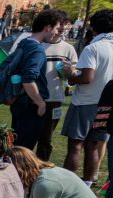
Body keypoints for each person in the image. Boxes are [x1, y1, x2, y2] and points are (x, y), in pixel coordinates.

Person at [63, 9, 113, 184]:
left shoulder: (93, 47)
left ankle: (68, 183)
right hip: (107, 104)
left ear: (94, 28)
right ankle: (87, 183)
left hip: (86, 102)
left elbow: (86, 77)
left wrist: (70, 75)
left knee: (75, 146)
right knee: (93, 146)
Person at [8, 9, 60, 152]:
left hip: (20, 102)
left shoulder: (24, 42)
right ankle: (20, 174)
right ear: (48, 27)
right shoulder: (36, 49)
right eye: (55, 28)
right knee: (24, 150)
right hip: (29, 105)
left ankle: (14, 172)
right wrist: (40, 102)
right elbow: (28, 80)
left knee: (17, 146)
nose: (56, 32)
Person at [35, 13, 78, 160]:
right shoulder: (38, 44)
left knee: (46, 139)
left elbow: (73, 76)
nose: (61, 28)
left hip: (55, 99)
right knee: (27, 136)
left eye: (64, 24)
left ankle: (41, 168)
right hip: (34, 97)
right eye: (58, 24)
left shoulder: (68, 49)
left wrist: (70, 72)